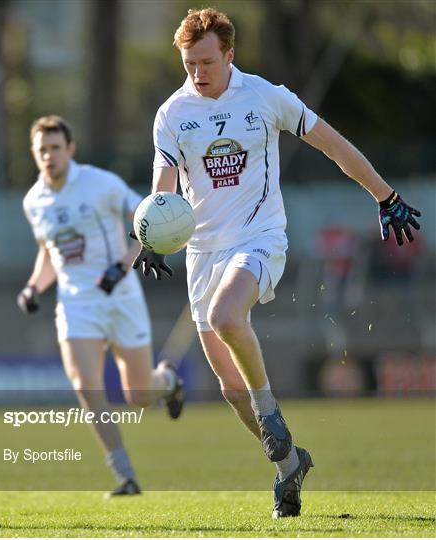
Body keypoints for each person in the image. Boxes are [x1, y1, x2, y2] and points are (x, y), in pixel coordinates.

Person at [132, 8, 422, 518]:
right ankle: (289, 466)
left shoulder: (266, 97)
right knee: (228, 387)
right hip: (203, 252)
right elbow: (164, 189)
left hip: (260, 239)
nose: (196, 72)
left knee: (228, 316)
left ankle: (271, 414)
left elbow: (333, 146)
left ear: (229, 54)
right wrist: (152, 238)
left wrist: (385, 195)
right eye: (187, 64)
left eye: (204, 61)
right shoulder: (172, 113)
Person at [17, 115, 184, 496]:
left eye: (56, 147)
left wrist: (122, 265)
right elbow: (48, 254)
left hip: (121, 297)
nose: (49, 156)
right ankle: (125, 476)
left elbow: (147, 221)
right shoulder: (34, 202)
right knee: (86, 387)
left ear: (70, 149)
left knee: (139, 395)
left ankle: (169, 381)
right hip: (76, 305)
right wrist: (33, 287)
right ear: (34, 153)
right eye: (42, 149)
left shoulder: (101, 183)